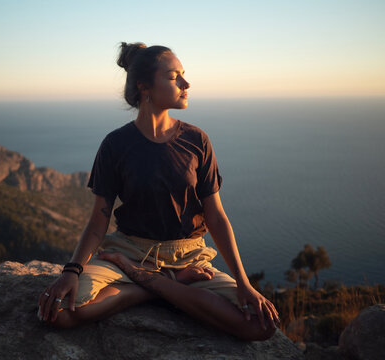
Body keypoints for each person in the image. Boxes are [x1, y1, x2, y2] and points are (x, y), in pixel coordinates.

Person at [38, 42, 279, 341]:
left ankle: (155, 282)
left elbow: (216, 217)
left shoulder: (197, 140)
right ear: (144, 87)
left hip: (189, 258)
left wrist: (244, 283)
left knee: (261, 325)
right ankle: (161, 286)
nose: (185, 83)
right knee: (58, 311)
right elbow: (98, 220)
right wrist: (71, 272)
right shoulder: (116, 145)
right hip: (131, 252)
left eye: (183, 75)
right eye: (173, 76)